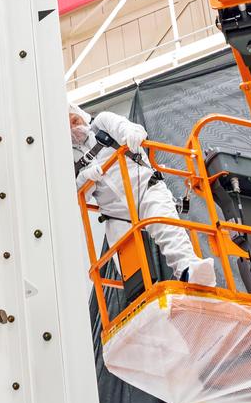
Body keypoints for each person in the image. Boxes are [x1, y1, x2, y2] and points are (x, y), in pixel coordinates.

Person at [70, 103, 216, 287]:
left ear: (81, 115)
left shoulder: (102, 122)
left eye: (74, 121)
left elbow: (128, 128)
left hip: (145, 189)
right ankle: (140, 296)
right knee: (127, 262)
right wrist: (85, 177)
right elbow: (77, 194)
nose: (74, 128)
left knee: (168, 228)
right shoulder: (71, 157)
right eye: (68, 127)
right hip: (115, 213)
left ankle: (191, 270)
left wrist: (132, 135)